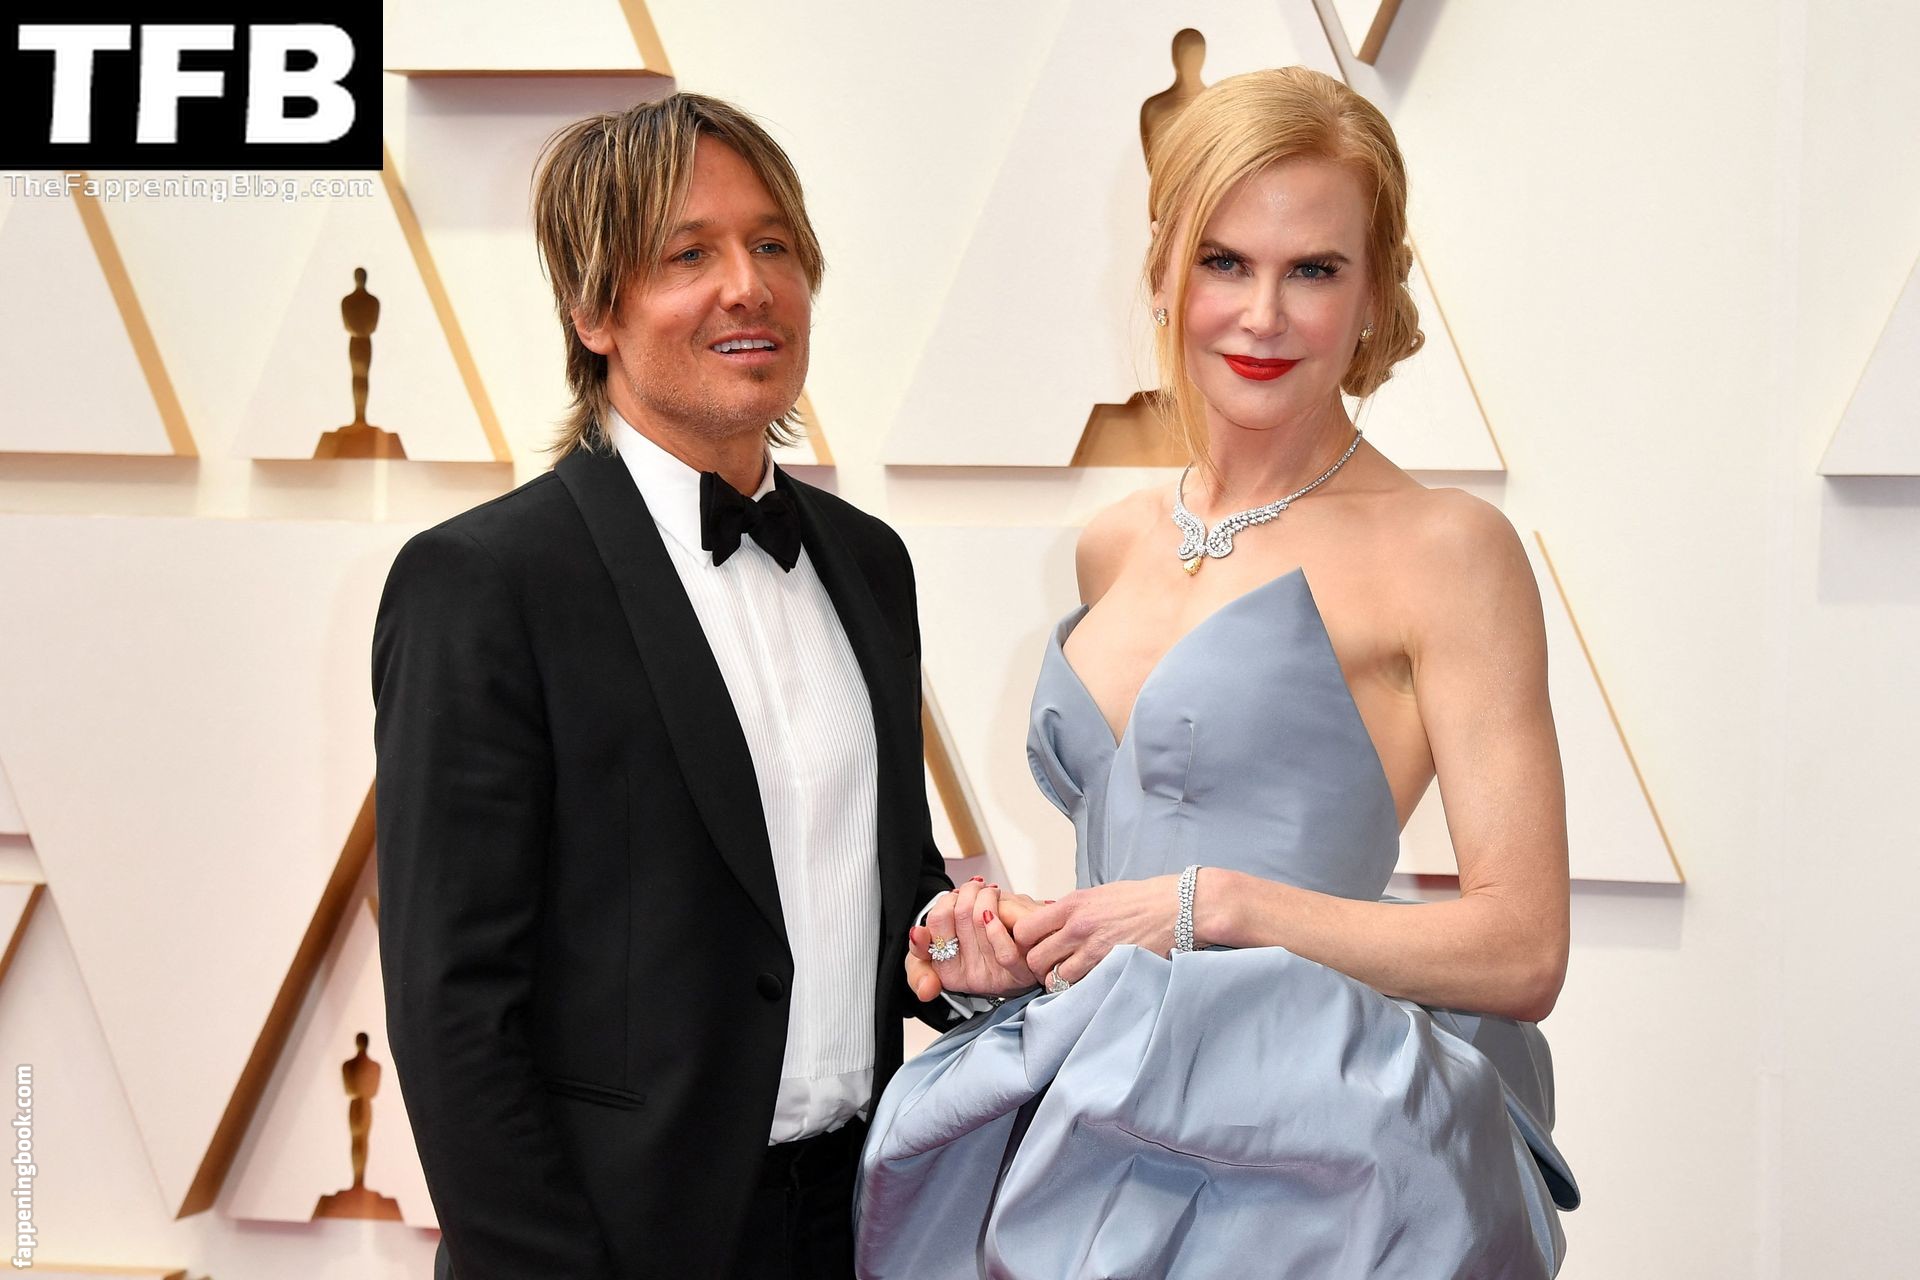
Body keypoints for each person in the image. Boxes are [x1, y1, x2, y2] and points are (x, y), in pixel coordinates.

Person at [860, 66, 1581, 1278]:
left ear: (1375, 293)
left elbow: (1523, 948)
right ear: (1164, 271)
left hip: (1313, 1164)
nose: (1263, 315)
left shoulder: (1448, 550)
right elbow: (1136, 876)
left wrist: (1220, 906)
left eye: (1316, 270)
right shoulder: (1115, 541)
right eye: (1225, 261)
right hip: (1091, 1126)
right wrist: (1026, 946)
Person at [373, 92, 955, 1280]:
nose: (749, 286)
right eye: (689, 254)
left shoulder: (870, 563)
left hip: (854, 1226)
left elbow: (872, 878)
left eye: (772, 243)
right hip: (611, 1246)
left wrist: (959, 943)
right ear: (593, 309)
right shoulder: (485, 582)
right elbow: (453, 1006)